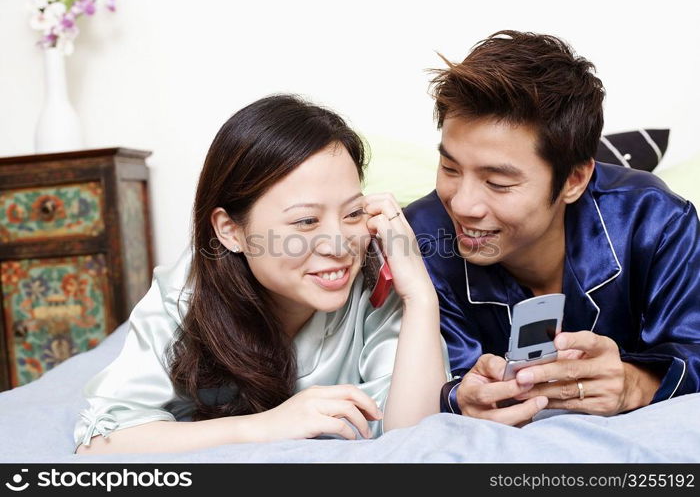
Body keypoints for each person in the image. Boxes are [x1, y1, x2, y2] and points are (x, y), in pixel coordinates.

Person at [74, 94, 450, 454]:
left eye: (352, 213)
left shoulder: (377, 283)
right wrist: (264, 426)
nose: (339, 245)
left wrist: (420, 292)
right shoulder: (186, 292)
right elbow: (101, 443)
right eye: (306, 221)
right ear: (230, 230)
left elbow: (416, 436)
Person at [404, 30, 700, 426]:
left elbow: (693, 345)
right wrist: (458, 398)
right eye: (450, 168)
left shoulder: (655, 221)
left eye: (498, 183)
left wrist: (636, 383)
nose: (462, 204)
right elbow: (429, 379)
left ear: (575, 179)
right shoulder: (421, 239)